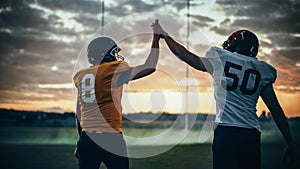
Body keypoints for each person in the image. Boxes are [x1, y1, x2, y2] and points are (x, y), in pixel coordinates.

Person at [153, 22, 294, 169]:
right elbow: (276, 110)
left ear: (237, 45)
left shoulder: (221, 58)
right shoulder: (262, 69)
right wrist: (289, 142)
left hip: (226, 132)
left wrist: (165, 37)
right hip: (250, 134)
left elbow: (184, 55)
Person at [73, 20, 161, 169]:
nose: (116, 56)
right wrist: (156, 40)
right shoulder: (112, 71)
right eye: (113, 52)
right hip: (110, 137)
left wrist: (80, 141)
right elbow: (150, 66)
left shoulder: (81, 76)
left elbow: (79, 113)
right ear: (104, 54)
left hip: (87, 138)